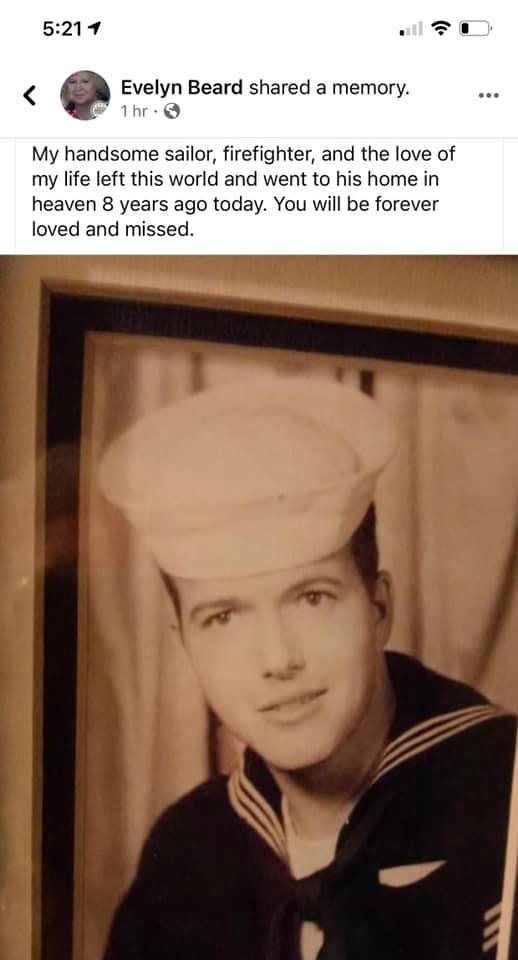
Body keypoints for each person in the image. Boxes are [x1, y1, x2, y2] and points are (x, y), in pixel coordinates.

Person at [98, 376, 517, 960]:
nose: (277, 659)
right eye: (223, 618)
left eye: (313, 598)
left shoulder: (503, 795)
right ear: (185, 643)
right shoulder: (187, 854)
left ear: (378, 607)